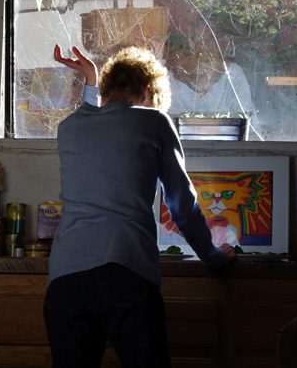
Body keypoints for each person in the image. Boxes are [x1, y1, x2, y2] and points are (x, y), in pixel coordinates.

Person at [45, 44, 238, 368]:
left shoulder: (69, 128)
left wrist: (91, 79)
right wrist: (213, 257)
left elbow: (91, 116)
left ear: (106, 92)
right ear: (149, 91)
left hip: (65, 279)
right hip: (125, 270)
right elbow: (180, 204)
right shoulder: (153, 121)